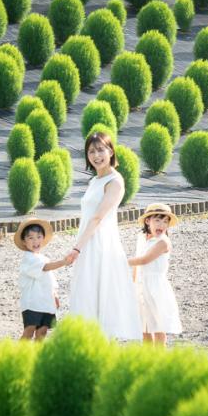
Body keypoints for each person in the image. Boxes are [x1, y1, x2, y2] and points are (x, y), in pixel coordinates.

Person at [66, 131, 141, 342]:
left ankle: (101, 344)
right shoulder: (94, 181)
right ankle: (88, 343)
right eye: (91, 151)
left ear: (110, 151)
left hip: (100, 244)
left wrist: (77, 247)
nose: (96, 155)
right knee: (86, 291)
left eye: (100, 149)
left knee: (100, 292)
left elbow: (98, 217)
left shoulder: (115, 181)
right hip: (87, 240)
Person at [14, 217, 75, 341]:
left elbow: (49, 279)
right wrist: (63, 262)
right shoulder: (28, 259)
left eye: (39, 237)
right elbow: (45, 268)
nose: (35, 241)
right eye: (30, 238)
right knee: (29, 330)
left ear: (43, 238)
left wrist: (54, 294)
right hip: (32, 302)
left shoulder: (43, 257)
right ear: (24, 241)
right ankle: (19, 355)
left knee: (42, 332)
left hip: (46, 302)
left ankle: (37, 355)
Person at [129, 202, 181, 345]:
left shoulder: (163, 242)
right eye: (157, 220)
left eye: (165, 222)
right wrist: (132, 285)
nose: (161, 225)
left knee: (158, 327)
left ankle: (160, 360)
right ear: (147, 221)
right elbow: (137, 262)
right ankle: (148, 361)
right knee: (144, 328)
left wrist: (120, 262)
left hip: (155, 287)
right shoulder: (142, 237)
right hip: (140, 286)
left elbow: (144, 260)